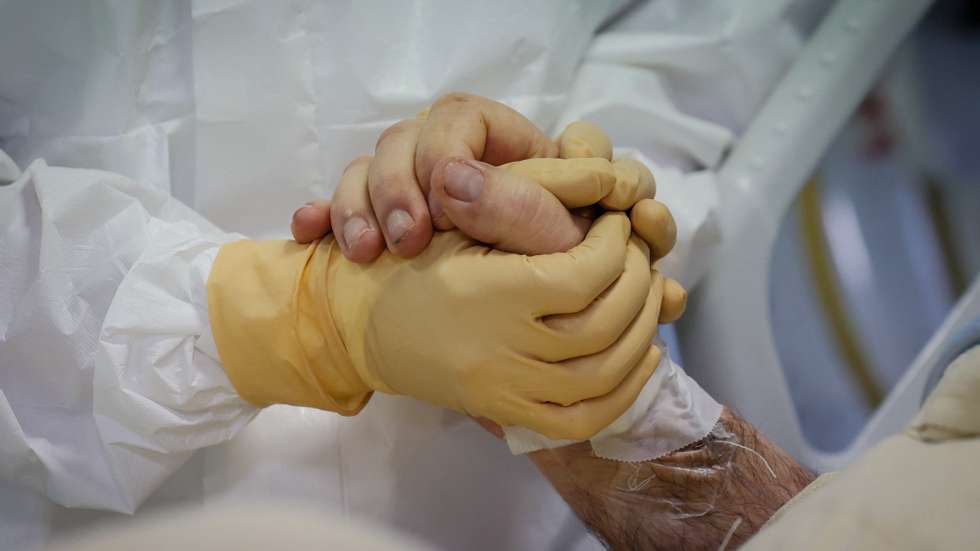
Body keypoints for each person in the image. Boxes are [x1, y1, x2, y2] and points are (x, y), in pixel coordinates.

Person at [0, 2, 805, 549]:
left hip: (520, 509)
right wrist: (298, 315)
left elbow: (707, 33)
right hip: (87, 507)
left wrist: (568, 197)